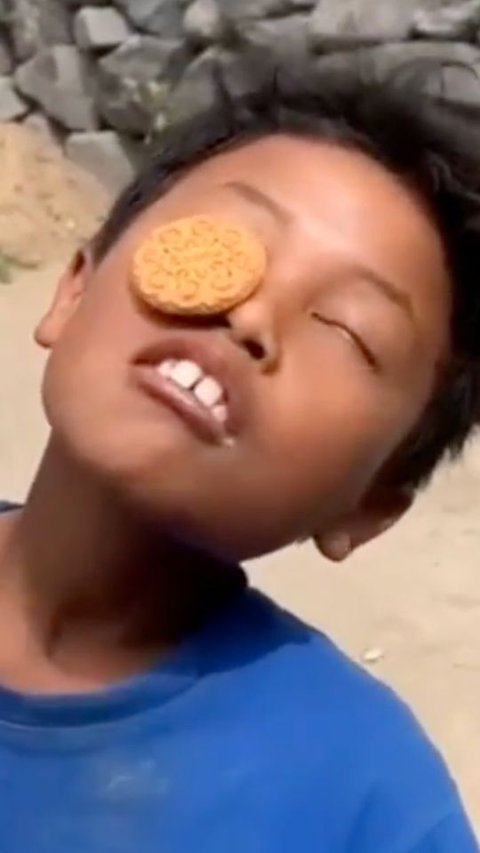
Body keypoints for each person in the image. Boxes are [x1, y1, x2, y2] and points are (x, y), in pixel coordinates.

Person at [0, 57, 478, 852]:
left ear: (372, 503)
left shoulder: (368, 804)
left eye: (349, 330)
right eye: (226, 244)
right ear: (74, 290)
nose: (250, 313)